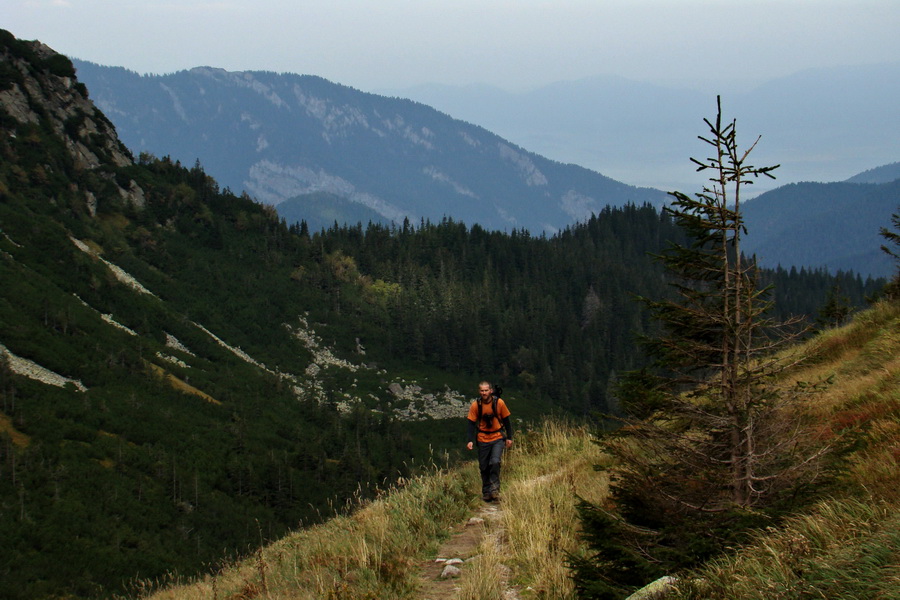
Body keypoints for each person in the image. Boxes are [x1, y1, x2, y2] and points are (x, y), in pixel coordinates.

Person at [466, 381, 513, 502]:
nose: (484, 393)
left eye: (486, 390)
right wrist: (470, 440)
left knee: (495, 462)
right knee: (484, 466)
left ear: (491, 391)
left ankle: (494, 490)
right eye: (482, 391)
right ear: (479, 391)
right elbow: (471, 423)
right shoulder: (476, 405)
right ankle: (486, 492)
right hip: (482, 439)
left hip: (497, 437)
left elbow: (507, 420)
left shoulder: (499, 403)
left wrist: (509, 437)